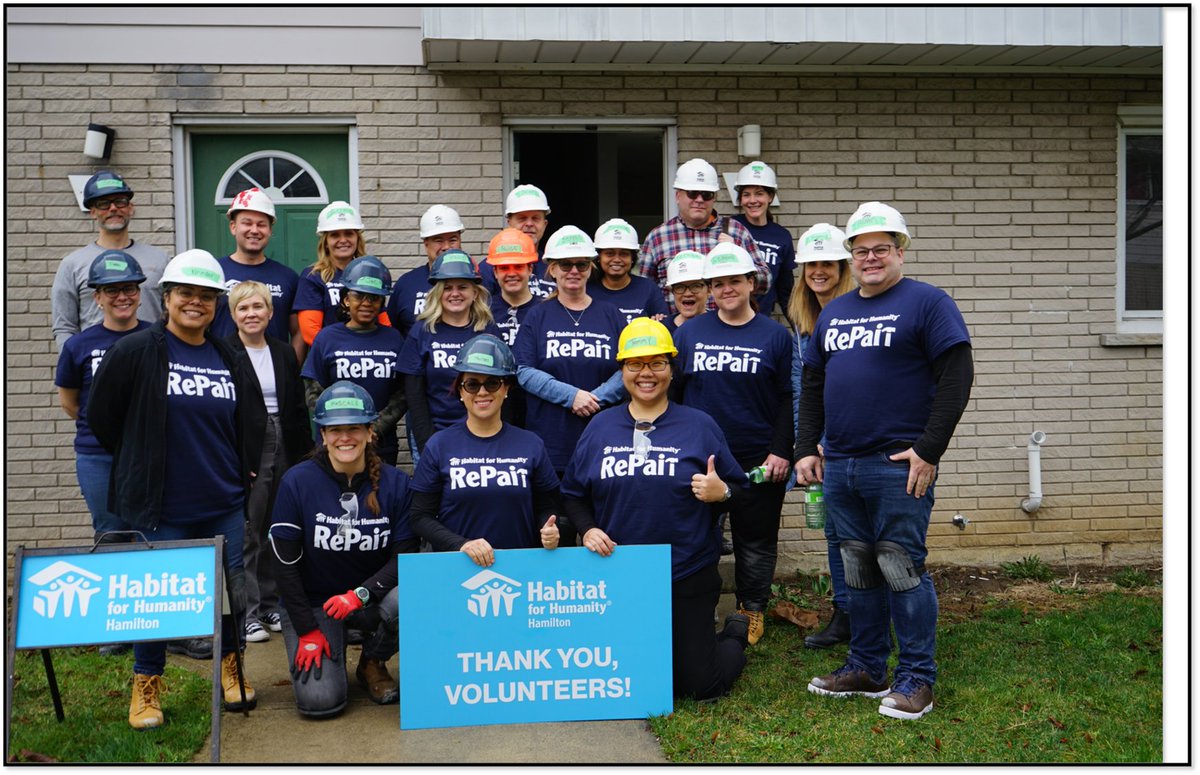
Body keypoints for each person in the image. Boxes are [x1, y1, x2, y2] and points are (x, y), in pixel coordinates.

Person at [795, 201, 973, 721]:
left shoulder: (927, 303)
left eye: (881, 249)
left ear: (900, 251)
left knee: (900, 567)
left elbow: (956, 377)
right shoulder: (835, 311)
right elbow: (813, 385)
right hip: (842, 464)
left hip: (897, 464)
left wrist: (929, 449)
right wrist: (808, 447)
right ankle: (868, 667)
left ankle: (917, 679)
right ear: (852, 257)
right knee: (858, 568)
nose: (871, 258)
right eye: (861, 250)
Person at [87, 249, 265, 729]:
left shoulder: (228, 353)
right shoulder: (138, 350)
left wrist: (243, 468)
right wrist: (138, 463)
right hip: (163, 505)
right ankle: (146, 686)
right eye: (187, 293)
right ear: (167, 298)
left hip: (223, 501)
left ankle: (232, 669)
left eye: (207, 296)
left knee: (230, 594)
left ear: (216, 304)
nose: (197, 303)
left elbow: (250, 416)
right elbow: (103, 418)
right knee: (156, 599)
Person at [561, 317, 750, 701]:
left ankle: (733, 635)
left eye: (657, 363)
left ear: (670, 368)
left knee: (699, 687)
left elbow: (743, 492)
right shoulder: (599, 427)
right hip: (619, 574)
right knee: (630, 678)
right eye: (635, 364)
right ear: (622, 370)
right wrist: (588, 528)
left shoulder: (700, 425)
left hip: (686, 570)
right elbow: (573, 494)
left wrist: (723, 493)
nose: (646, 373)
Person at [269, 381, 418, 715]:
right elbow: (282, 564)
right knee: (321, 704)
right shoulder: (297, 481)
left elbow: (405, 559)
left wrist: (360, 594)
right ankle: (326, 647)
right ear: (322, 435)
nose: (344, 438)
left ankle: (372, 661)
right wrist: (307, 629)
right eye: (335, 430)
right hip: (314, 605)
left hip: (367, 600)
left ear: (370, 432)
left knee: (411, 597)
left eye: (354, 428)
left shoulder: (397, 484)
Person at [671, 243, 793, 646]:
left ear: (751, 283)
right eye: (717, 283)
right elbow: (675, 396)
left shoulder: (776, 336)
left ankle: (750, 611)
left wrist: (781, 450)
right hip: (698, 457)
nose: (726, 289)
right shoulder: (689, 333)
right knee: (697, 538)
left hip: (757, 457)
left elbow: (787, 400)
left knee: (755, 541)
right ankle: (696, 609)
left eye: (734, 281)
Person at [54, 250, 150, 657]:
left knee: (151, 533)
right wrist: (106, 430)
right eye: (112, 290)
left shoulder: (155, 337)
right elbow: (72, 401)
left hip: (146, 454)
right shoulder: (80, 345)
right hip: (97, 454)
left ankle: (155, 621)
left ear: (138, 292)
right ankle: (116, 625)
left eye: (128, 288)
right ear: (97, 297)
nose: (122, 296)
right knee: (111, 531)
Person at [512, 225, 627, 544]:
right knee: (555, 540)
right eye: (566, 264)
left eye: (581, 264)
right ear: (551, 269)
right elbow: (523, 371)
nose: (574, 271)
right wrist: (572, 397)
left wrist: (597, 398)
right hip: (553, 447)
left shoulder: (611, 315)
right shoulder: (537, 316)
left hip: (603, 445)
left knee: (602, 539)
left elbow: (629, 367)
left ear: (591, 267)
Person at [409, 334, 562, 562]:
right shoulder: (440, 445)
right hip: (457, 570)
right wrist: (461, 545)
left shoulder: (530, 444)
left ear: (506, 389)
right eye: (472, 384)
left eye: (492, 383)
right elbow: (419, 517)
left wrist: (548, 529)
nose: (482, 392)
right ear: (461, 391)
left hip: (521, 568)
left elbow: (548, 507)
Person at [223, 280, 313, 644]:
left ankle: (273, 603)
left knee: (279, 525)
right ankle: (249, 612)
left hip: (286, 441)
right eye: (243, 308)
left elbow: (295, 407)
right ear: (233, 315)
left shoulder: (282, 351)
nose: (251, 314)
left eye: (258, 306)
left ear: (270, 312)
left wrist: (307, 454)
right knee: (250, 530)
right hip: (249, 444)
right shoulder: (225, 352)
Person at [786, 223, 857, 650]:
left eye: (827, 263)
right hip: (822, 445)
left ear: (842, 267)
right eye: (811, 264)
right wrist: (807, 444)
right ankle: (846, 613)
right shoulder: (802, 325)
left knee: (864, 533)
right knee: (834, 532)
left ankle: (875, 613)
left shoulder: (860, 310)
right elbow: (802, 392)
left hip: (857, 442)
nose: (818, 271)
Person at [303, 255, 407, 466]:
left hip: (381, 444)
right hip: (336, 444)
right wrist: (344, 427)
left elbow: (403, 394)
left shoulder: (394, 339)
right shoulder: (326, 338)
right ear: (346, 299)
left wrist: (373, 428)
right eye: (359, 296)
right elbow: (312, 391)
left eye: (374, 297)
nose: (367, 303)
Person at [634, 158, 770, 314]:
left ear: (714, 198)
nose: (699, 200)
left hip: (727, 331)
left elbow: (766, 282)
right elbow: (644, 291)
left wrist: (738, 256)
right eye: (692, 193)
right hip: (677, 333)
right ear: (678, 196)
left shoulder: (736, 231)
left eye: (706, 194)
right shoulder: (657, 237)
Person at [399, 250, 501, 457]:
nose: (455, 293)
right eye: (447, 288)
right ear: (438, 293)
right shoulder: (422, 331)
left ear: (474, 293)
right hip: (436, 433)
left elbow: (503, 388)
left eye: (462, 287)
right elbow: (414, 393)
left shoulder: (488, 330)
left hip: (483, 434)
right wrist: (427, 440)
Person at [51, 170, 167, 350]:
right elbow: (65, 326)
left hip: (149, 361)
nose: (113, 208)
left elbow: (171, 317)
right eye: (104, 204)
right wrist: (78, 365)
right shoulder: (72, 265)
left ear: (131, 207)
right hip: (97, 365)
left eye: (120, 202)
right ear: (93, 212)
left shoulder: (160, 260)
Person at [209, 188, 302, 361]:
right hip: (223, 377)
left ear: (270, 230)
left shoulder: (287, 277)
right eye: (247, 223)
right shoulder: (213, 273)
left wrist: (289, 371)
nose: (254, 230)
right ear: (233, 227)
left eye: (261, 224)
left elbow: (298, 333)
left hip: (274, 378)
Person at [388, 204, 495, 339]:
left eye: (452, 240)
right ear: (426, 243)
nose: (446, 247)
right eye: (438, 240)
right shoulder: (406, 285)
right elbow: (393, 330)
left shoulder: (477, 280)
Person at [296, 201, 393, 346]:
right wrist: (344, 353)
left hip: (370, 352)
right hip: (331, 357)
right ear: (326, 242)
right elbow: (310, 332)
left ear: (357, 239)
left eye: (349, 234)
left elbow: (384, 323)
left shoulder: (370, 271)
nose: (343, 240)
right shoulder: (313, 276)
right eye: (335, 235)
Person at [731, 161, 795, 322]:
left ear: (770, 197)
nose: (752, 200)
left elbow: (785, 291)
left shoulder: (782, 236)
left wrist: (799, 330)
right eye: (746, 194)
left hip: (761, 321)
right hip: (727, 317)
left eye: (759, 193)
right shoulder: (730, 228)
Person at [588, 218, 669, 324]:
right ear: (599, 257)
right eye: (609, 253)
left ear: (632, 258)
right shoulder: (587, 290)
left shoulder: (648, 288)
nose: (617, 259)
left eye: (624, 254)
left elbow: (663, 326)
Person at [503, 184, 556, 298]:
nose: (529, 224)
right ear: (509, 223)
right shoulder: (492, 267)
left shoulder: (557, 266)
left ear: (544, 224)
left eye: (535, 218)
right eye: (522, 218)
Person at [663, 250, 708, 334]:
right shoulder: (662, 330)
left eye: (695, 286)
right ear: (672, 291)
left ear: (709, 289)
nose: (687, 293)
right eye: (680, 287)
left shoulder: (723, 327)